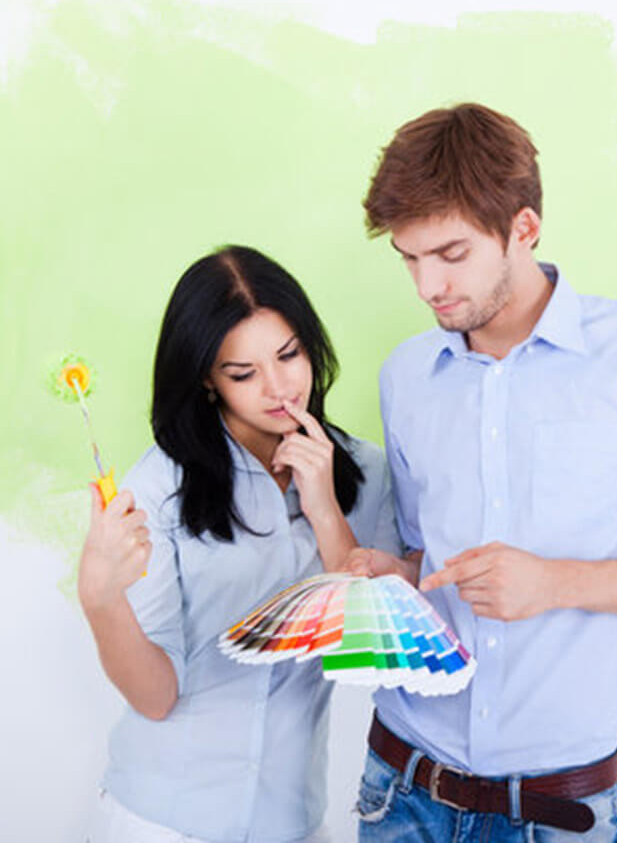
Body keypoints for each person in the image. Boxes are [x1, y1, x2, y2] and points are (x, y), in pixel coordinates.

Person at [343, 104, 617, 841]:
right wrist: (396, 574)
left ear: (523, 229)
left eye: (450, 254)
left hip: (556, 814)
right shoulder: (406, 375)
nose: (425, 287)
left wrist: (555, 582)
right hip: (400, 792)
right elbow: (424, 556)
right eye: (409, 259)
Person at [78, 245, 400, 843]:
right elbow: (155, 696)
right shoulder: (160, 486)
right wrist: (101, 600)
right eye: (243, 374)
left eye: (290, 355)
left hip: (291, 821)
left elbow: (377, 649)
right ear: (206, 378)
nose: (278, 388)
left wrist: (326, 508)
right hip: (163, 820)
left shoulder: (367, 472)